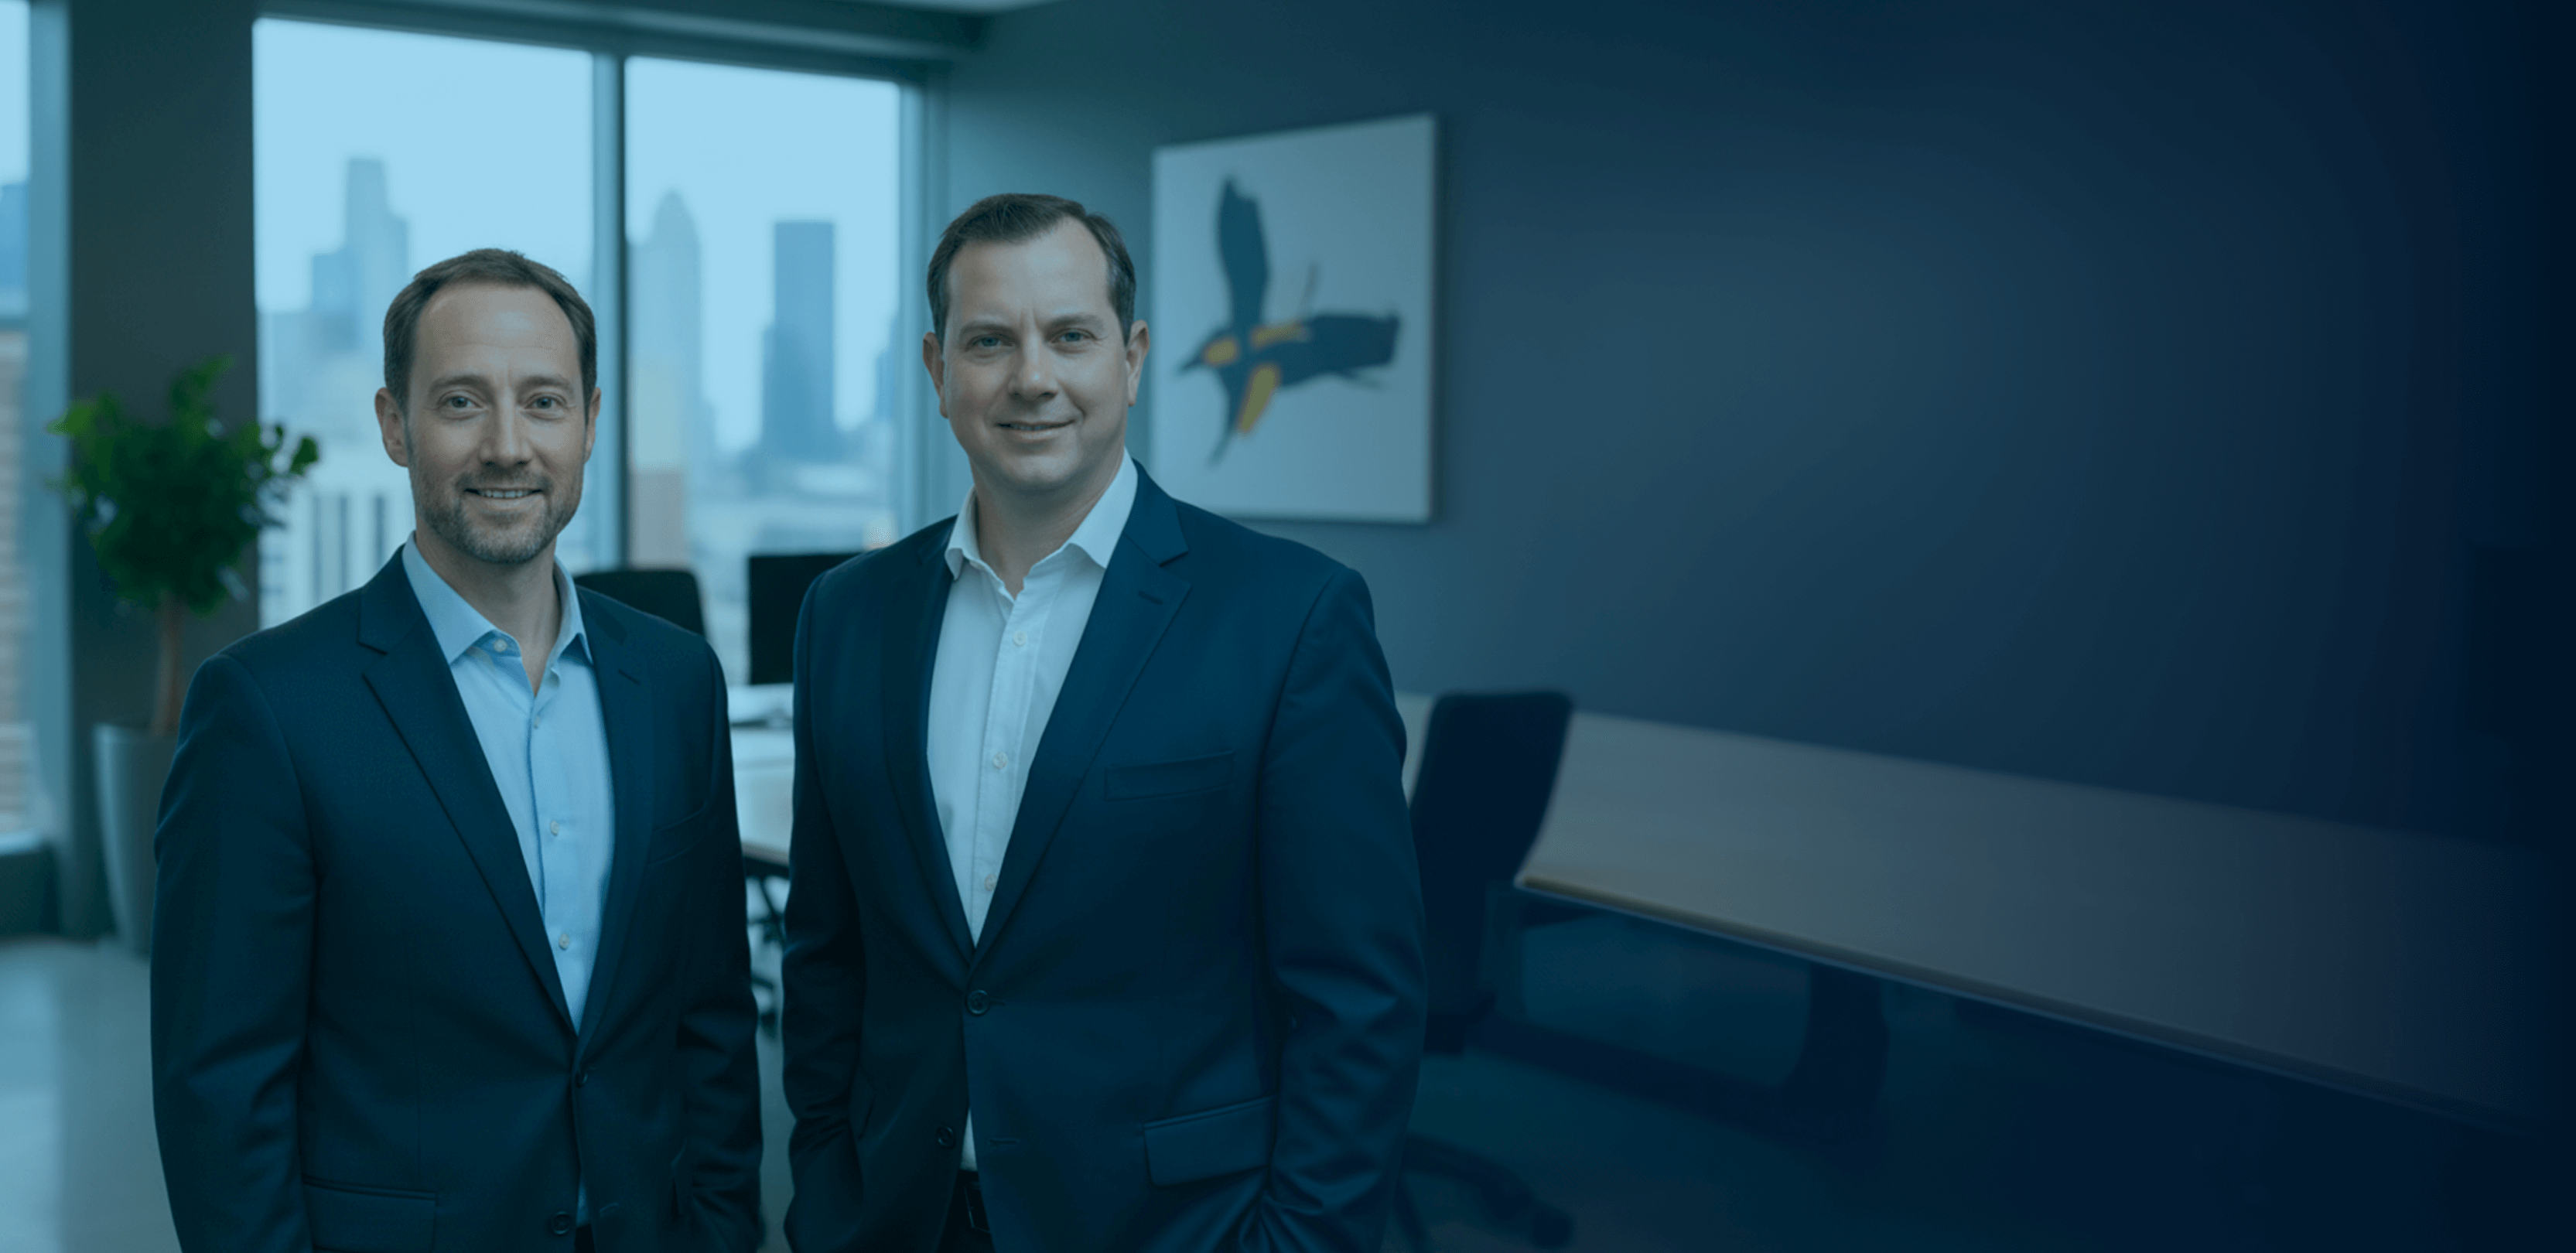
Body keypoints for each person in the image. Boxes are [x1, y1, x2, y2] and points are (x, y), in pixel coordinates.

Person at [781, 193, 1426, 1253]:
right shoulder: (845, 616)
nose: (1032, 378)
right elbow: (826, 956)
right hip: (902, 1216)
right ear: (939, 370)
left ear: (1128, 359)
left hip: (1175, 1226)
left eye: (1069, 336)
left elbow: (1360, 1001)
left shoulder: (1289, 618)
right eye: (990, 342)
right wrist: (825, 1189)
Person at [151, 249, 762, 1253]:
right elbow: (220, 1089)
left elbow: (710, 1022)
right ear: (396, 425)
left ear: (591, 424)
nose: (508, 446)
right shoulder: (266, 710)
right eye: (462, 403)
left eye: (544, 403)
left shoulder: (677, 682)